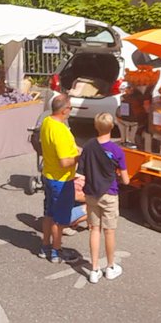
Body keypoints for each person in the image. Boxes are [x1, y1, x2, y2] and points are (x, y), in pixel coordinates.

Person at [79, 112, 130, 283]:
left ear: (96, 126)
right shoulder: (116, 150)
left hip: (91, 193)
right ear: (112, 127)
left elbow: (82, 170)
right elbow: (126, 179)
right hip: (109, 193)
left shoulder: (88, 146)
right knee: (109, 231)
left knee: (94, 229)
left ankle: (94, 269)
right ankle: (110, 266)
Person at [39, 93, 80, 264]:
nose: (71, 110)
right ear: (64, 110)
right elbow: (65, 162)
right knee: (60, 219)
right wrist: (80, 157)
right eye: (70, 108)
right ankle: (56, 250)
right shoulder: (61, 131)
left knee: (49, 214)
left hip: (48, 175)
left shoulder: (47, 122)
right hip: (61, 180)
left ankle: (44, 246)